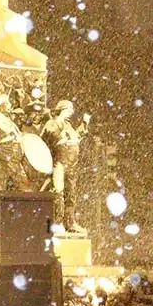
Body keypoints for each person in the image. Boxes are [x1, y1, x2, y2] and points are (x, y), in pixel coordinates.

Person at [41, 99, 90, 232]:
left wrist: (84, 124)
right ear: (62, 110)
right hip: (60, 163)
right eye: (68, 109)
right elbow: (46, 139)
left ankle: (70, 222)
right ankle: (58, 221)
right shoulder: (54, 123)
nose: (71, 112)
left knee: (71, 193)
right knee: (59, 191)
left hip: (71, 165)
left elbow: (75, 138)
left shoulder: (68, 126)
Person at [0, 94, 29, 192]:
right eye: (6, 103)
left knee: (1, 179)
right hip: (9, 154)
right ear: (1, 106)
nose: (9, 105)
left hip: (11, 154)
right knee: (21, 180)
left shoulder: (4, 119)